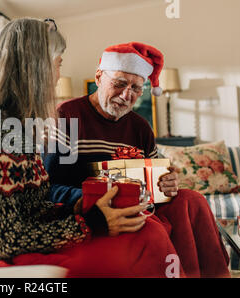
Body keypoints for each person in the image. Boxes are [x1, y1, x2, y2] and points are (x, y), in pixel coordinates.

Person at [0, 19, 188, 278]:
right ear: (36, 69)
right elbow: (8, 240)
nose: (58, 75)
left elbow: (34, 207)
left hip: (38, 236)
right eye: (58, 63)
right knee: (141, 239)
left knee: (161, 222)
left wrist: (85, 209)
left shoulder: (19, 132)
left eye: (136, 88)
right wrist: (92, 222)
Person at [44, 42, 230, 278]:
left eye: (136, 88)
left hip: (140, 202)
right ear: (99, 77)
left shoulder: (140, 126)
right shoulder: (67, 116)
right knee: (148, 225)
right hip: (95, 209)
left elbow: (156, 176)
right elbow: (51, 187)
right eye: (119, 84)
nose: (126, 95)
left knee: (192, 200)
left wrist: (166, 182)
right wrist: (90, 199)